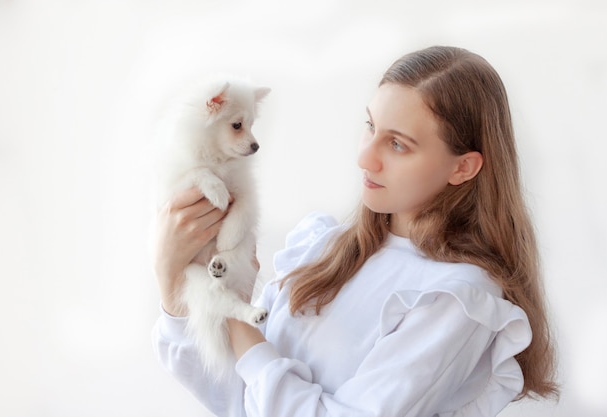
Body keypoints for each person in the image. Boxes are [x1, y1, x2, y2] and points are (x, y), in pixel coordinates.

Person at [152, 45, 559, 417]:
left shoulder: (456, 298)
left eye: (397, 144)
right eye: (370, 126)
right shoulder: (323, 248)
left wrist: (235, 314)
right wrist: (172, 279)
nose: (365, 157)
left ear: (463, 167)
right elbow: (235, 398)